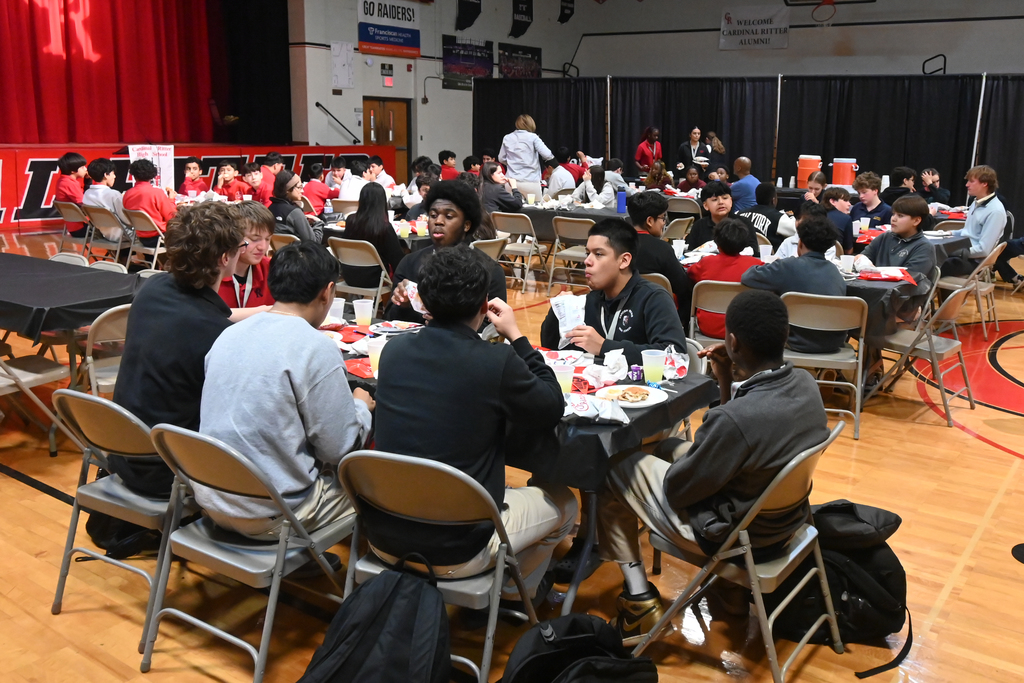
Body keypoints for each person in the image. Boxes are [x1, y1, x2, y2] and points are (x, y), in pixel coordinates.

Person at [596, 289, 830, 642]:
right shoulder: (806, 384)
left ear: (732, 341)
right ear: (785, 335)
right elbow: (734, 444)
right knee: (669, 446)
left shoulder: (736, 420)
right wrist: (726, 381)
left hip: (735, 536)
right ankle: (731, 594)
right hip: (783, 521)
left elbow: (679, 489)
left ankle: (639, 599)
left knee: (614, 466)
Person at [373, 245, 576, 598]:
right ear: (485, 306)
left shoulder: (393, 351)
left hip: (382, 534)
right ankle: (516, 593)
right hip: (458, 548)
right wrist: (517, 336)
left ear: (422, 301)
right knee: (566, 503)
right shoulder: (495, 361)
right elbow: (550, 405)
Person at [196, 241, 373, 539]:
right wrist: (360, 408)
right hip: (272, 513)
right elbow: (338, 448)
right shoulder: (315, 347)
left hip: (211, 498)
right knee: (371, 488)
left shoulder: (229, 334)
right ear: (327, 292)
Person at [110, 202, 245, 496]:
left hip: (121, 451)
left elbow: (211, 314)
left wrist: (269, 311)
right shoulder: (214, 334)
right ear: (225, 257)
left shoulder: (153, 289)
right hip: (168, 469)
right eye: (241, 246)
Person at [540, 218, 687, 366]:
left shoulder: (653, 298)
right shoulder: (589, 301)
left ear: (624, 261)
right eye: (587, 253)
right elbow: (553, 351)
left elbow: (675, 355)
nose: (587, 261)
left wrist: (604, 347)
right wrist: (558, 311)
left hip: (640, 387)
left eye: (598, 254)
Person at [386, 181, 507, 325]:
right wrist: (403, 305)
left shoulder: (490, 270)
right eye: (433, 215)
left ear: (467, 225)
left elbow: (494, 328)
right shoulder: (409, 263)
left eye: (449, 216)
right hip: (417, 344)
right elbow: (390, 320)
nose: (438, 221)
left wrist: (447, 324)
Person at [741, 215, 848, 353]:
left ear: (800, 242)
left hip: (795, 341)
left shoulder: (788, 266)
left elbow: (748, 276)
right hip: (833, 343)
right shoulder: (835, 272)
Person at [855, 194, 938, 315]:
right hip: (876, 294)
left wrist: (874, 273)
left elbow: (907, 284)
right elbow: (861, 257)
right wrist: (863, 263)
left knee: (857, 315)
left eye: (900, 216)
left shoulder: (924, 247)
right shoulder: (885, 237)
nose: (893, 219)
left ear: (916, 220)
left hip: (903, 305)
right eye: (893, 214)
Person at [688, 219, 764, 338]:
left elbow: (690, 274)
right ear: (744, 244)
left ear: (717, 243)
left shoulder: (706, 263)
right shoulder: (756, 265)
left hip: (708, 327)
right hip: (744, 328)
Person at [627, 192, 691, 323]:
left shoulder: (616, 244)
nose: (664, 223)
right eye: (663, 218)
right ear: (650, 221)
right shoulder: (662, 248)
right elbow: (682, 286)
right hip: (658, 313)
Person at [945, 165, 1006, 277]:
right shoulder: (976, 201)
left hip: (973, 262)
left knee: (934, 264)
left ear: (985, 183)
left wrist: (955, 252)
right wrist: (945, 234)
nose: (967, 185)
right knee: (926, 259)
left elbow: (983, 250)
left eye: (971, 181)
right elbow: (967, 232)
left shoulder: (995, 211)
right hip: (964, 253)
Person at [218, 201, 276, 318]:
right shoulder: (213, 272)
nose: (263, 247)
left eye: (268, 239)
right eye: (255, 239)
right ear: (234, 237)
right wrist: (265, 311)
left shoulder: (272, 268)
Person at [341, 182, 405, 288]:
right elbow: (397, 260)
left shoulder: (350, 220)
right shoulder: (384, 227)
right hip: (375, 279)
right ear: (382, 202)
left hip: (349, 275)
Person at [684, 181, 760, 254]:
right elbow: (690, 253)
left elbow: (753, 251)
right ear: (706, 205)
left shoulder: (743, 223)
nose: (721, 202)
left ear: (731, 201)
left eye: (725, 198)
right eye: (715, 200)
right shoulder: (699, 226)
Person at [499, 114, 555, 200]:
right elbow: (547, 154)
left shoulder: (507, 137)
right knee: (535, 211)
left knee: (511, 211)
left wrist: (512, 163)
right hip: (531, 182)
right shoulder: (533, 137)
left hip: (511, 181)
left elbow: (501, 158)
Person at [123, 159, 177, 246]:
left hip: (140, 238)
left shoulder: (127, 194)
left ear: (133, 175)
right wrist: (171, 200)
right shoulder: (157, 193)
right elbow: (172, 217)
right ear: (152, 175)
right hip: (160, 237)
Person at [82, 158, 130, 241]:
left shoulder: (87, 194)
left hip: (104, 235)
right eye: (113, 173)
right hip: (124, 235)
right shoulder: (114, 194)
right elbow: (127, 220)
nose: (114, 176)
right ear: (105, 175)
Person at [269, 170, 322, 243]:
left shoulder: (270, 209)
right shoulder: (294, 212)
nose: (302, 191)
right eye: (299, 187)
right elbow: (313, 242)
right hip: (297, 253)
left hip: (279, 253)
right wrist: (318, 223)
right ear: (287, 189)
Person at [738, 182, 793, 250]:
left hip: (742, 257)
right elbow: (797, 231)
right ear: (773, 200)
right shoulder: (779, 218)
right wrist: (791, 216)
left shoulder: (739, 213)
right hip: (769, 259)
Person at [55, 151, 89, 237]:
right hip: (81, 229)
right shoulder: (69, 184)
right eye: (82, 167)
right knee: (117, 230)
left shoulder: (63, 180)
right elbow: (85, 205)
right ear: (73, 171)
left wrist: (87, 181)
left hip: (73, 228)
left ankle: (113, 251)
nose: (85, 169)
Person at [822, 186, 856, 253]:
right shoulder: (846, 218)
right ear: (833, 201)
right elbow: (848, 251)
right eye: (845, 200)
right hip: (835, 259)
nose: (849, 204)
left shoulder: (813, 215)